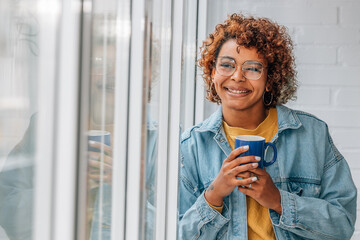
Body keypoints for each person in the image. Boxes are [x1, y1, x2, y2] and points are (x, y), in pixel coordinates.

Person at [178, 13, 357, 239]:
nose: (237, 76)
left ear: (270, 79)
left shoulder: (311, 134)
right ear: (213, 73)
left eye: (252, 68)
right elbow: (177, 232)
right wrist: (214, 194)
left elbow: (342, 224)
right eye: (226, 65)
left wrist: (279, 201)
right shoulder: (191, 146)